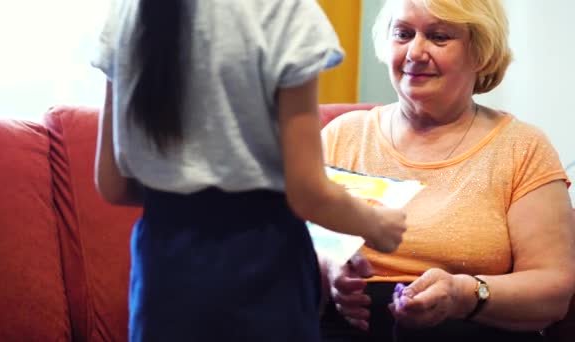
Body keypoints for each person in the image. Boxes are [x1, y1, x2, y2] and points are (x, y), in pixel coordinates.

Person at [91, 0, 407, 341]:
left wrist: (186, 188)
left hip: (162, 267)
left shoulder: (128, 11)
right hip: (260, 262)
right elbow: (307, 193)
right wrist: (378, 225)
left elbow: (113, 183)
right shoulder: (282, 10)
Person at [318, 0, 575, 341]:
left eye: (438, 37)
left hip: (471, 328)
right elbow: (281, 247)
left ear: (480, 52)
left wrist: (462, 295)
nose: (414, 52)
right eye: (403, 34)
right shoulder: (340, 135)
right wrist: (326, 270)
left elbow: (553, 292)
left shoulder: (522, 147)